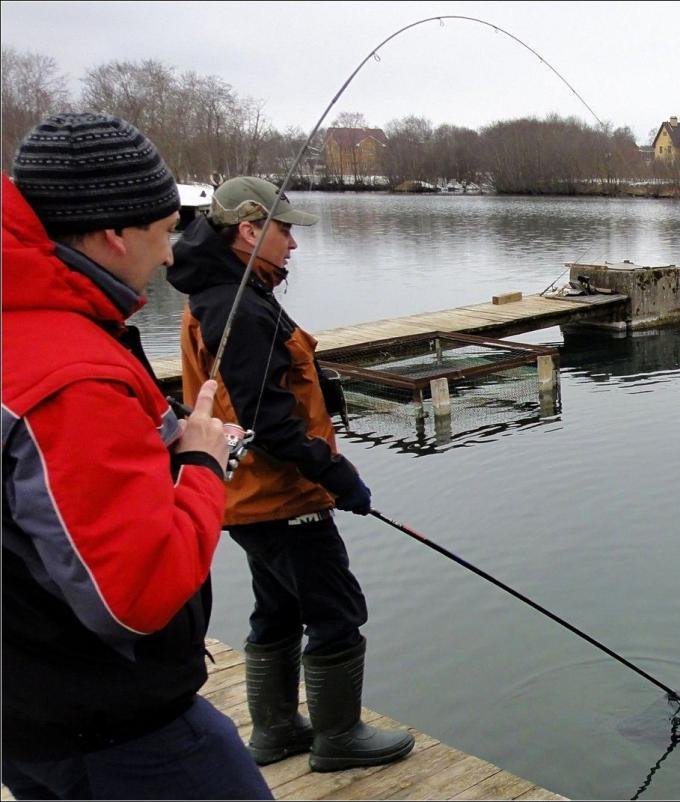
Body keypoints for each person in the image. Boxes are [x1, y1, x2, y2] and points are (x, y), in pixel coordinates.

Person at [1, 113, 272, 800]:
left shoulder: (27, 326)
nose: (174, 255)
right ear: (112, 236)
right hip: (119, 729)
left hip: (30, 712)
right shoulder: (72, 375)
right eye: (162, 233)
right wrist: (203, 464)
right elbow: (136, 599)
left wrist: (159, 441)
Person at [167, 176, 414, 772]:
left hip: (249, 496)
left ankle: (277, 732)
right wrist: (337, 476)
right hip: (282, 497)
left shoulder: (221, 292)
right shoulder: (238, 307)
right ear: (250, 231)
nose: (293, 245)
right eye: (285, 231)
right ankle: (338, 739)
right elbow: (270, 421)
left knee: (276, 607)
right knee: (336, 610)